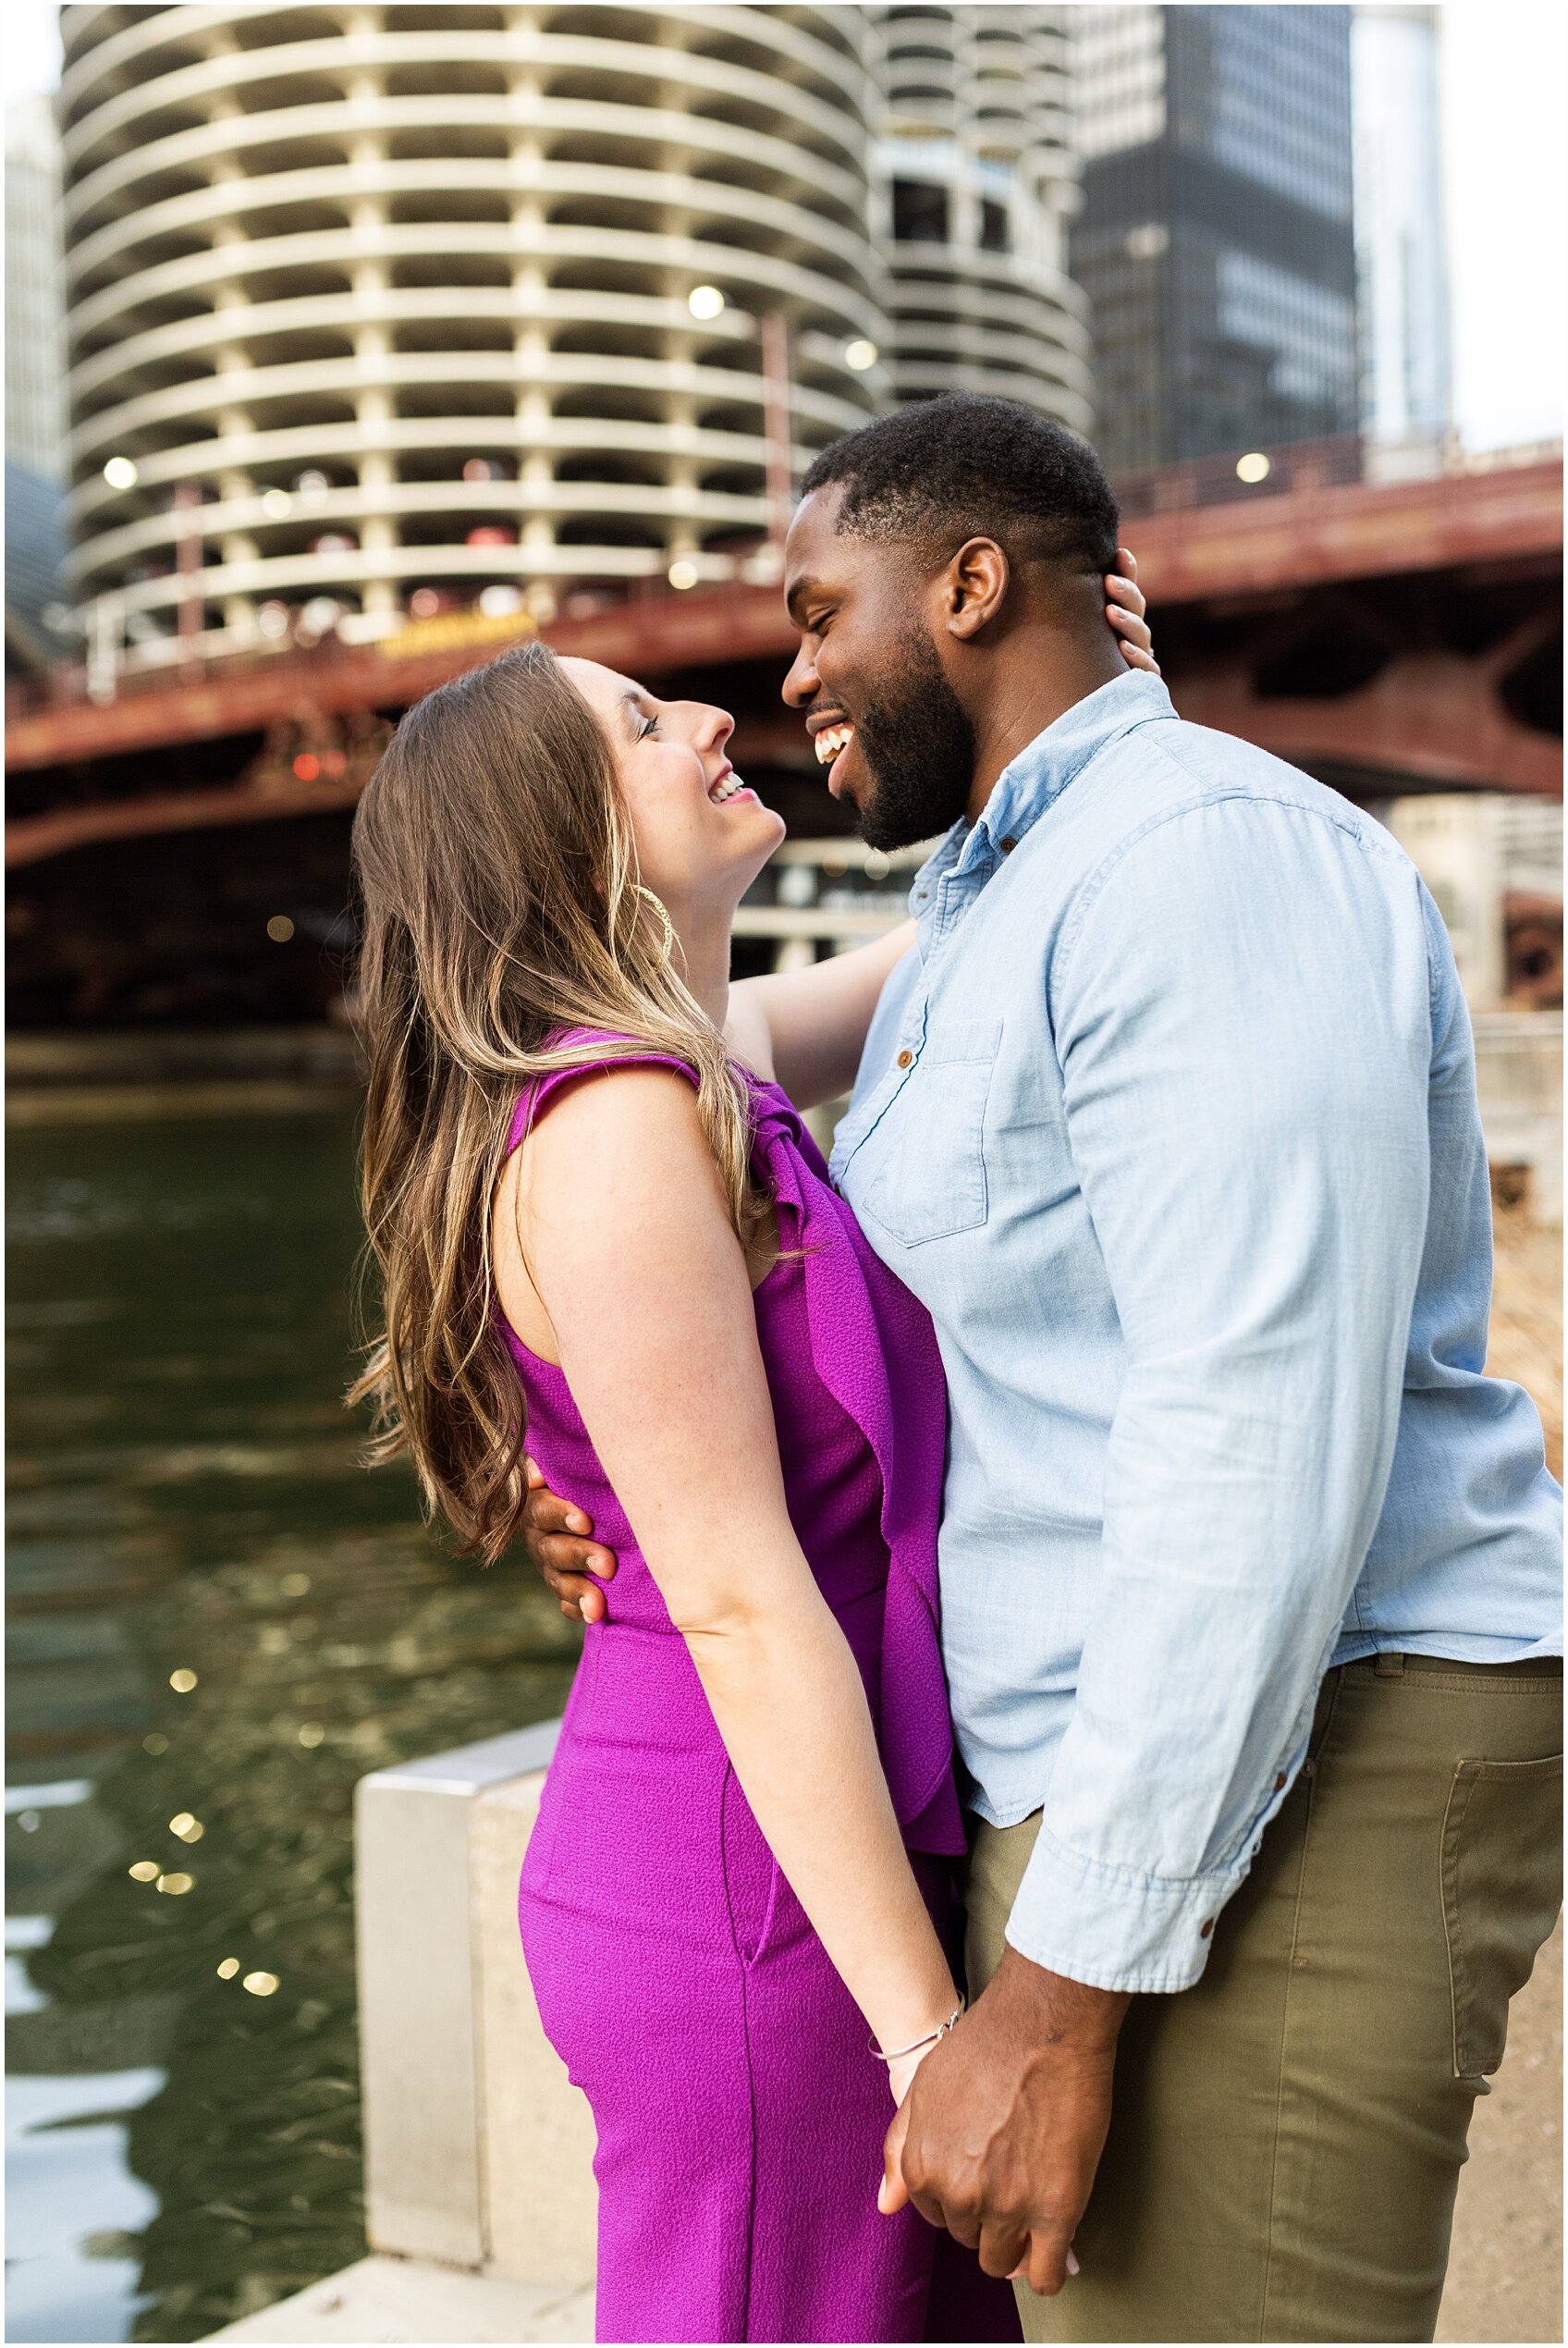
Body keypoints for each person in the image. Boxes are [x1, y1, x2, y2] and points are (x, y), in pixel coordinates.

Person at [522, 394, 1563, 2344]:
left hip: (1298, 1767)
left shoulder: (1193, 865)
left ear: (971, 584)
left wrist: (1055, 1995)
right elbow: (616, 1097)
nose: (790, 672)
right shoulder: (994, 904)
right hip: (1123, 1783)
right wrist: (563, 1429)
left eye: (823, 608)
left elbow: (1247, 1436)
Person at [347, 559, 1157, 2343]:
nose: (717, 714)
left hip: (790, 1853)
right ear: (564, 837)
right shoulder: (624, 1122)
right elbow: (733, 1598)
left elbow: (951, 946)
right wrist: (930, 2041)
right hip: (750, 1899)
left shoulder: (691, 1064)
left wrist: (1084, 734)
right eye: (640, 726)